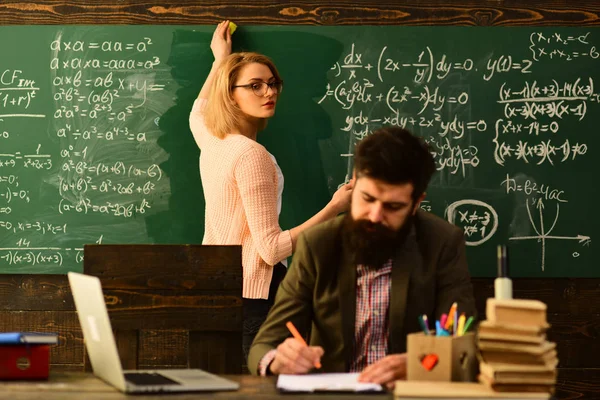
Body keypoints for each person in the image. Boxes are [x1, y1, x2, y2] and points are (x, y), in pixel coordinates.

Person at [248, 126, 476, 388]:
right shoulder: (318, 244)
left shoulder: (442, 242)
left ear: (416, 203)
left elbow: (463, 341)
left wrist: (417, 363)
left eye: (393, 207)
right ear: (354, 181)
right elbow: (264, 344)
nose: (375, 216)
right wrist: (278, 359)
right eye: (367, 198)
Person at [188, 21, 353, 361]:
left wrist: (221, 60)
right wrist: (335, 207)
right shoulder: (251, 155)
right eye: (255, 86)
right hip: (254, 295)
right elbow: (270, 249)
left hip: (216, 286)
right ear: (230, 93)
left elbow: (197, 113)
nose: (269, 92)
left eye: (273, 83)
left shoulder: (215, 143)